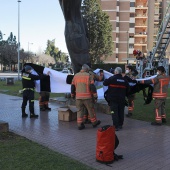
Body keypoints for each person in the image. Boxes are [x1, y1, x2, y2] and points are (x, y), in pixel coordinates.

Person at [71, 64, 101, 130]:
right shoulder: (88, 76)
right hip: (87, 97)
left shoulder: (76, 76)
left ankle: (79, 124)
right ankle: (94, 123)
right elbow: (92, 87)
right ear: (87, 69)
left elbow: (72, 86)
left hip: (78, 97)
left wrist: (72, 95)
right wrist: (95, 96)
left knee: (79, 110)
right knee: (91, 110)